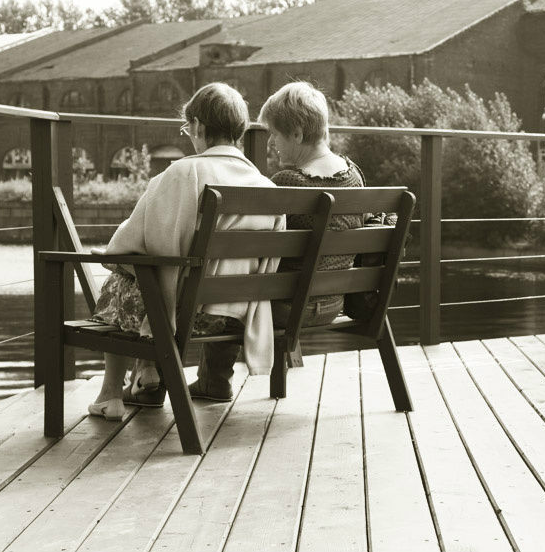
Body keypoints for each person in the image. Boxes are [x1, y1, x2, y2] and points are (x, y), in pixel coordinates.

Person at [87, 82, 282, 419]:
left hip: (186, 316)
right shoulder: (267, 186)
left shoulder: (184, 172)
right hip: (233, 316)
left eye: (188, 128)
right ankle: (146, 373)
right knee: (152, 277)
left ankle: (111, 392)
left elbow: (123, 246)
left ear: (199, 127)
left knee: (124, 277)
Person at [258, 81, 363, 327]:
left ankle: (219, 368)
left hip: (287, 309)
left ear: (297, 133)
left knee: (223, 305)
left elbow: (258, 249)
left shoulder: (289, 182)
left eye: (274, 134)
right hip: (334, 304)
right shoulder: (354, 176)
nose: (271, 143)